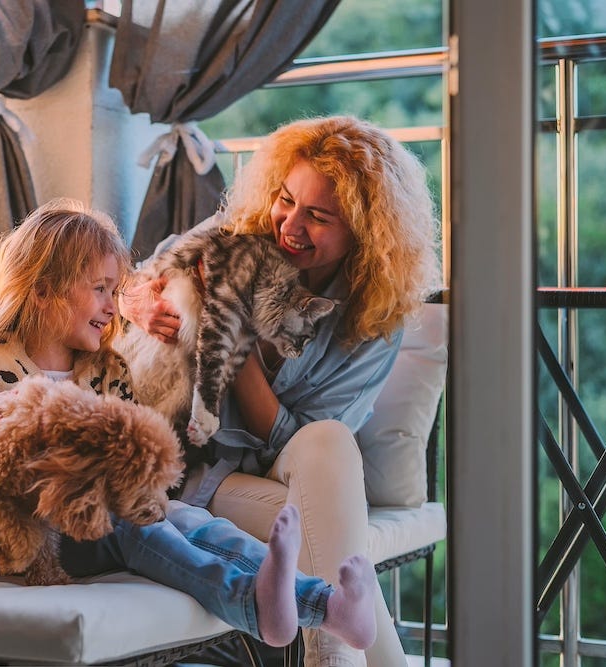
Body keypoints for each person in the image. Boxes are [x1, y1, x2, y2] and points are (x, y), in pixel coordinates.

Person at [0, 197, 380, 651]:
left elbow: (131, 466)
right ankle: (254, 606)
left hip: (92, 519)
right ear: (42, 291)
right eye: (100, 290)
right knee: (132, 526)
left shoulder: (107, 370)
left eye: (115, 290)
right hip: (26, 540)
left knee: (189, 518)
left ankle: (326, 605)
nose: (111, 305)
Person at [121, 116, 441, 667]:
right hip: (190, 467)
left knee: (330, 441)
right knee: (339, 544)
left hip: (270, 468)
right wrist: (136, 302)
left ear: (364, 234)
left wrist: (231, 334)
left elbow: (285, 441)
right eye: (286, 201)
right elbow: (132, 278)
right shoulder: (235, 237)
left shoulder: (374, 321)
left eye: (318, 216)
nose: (290, 225)